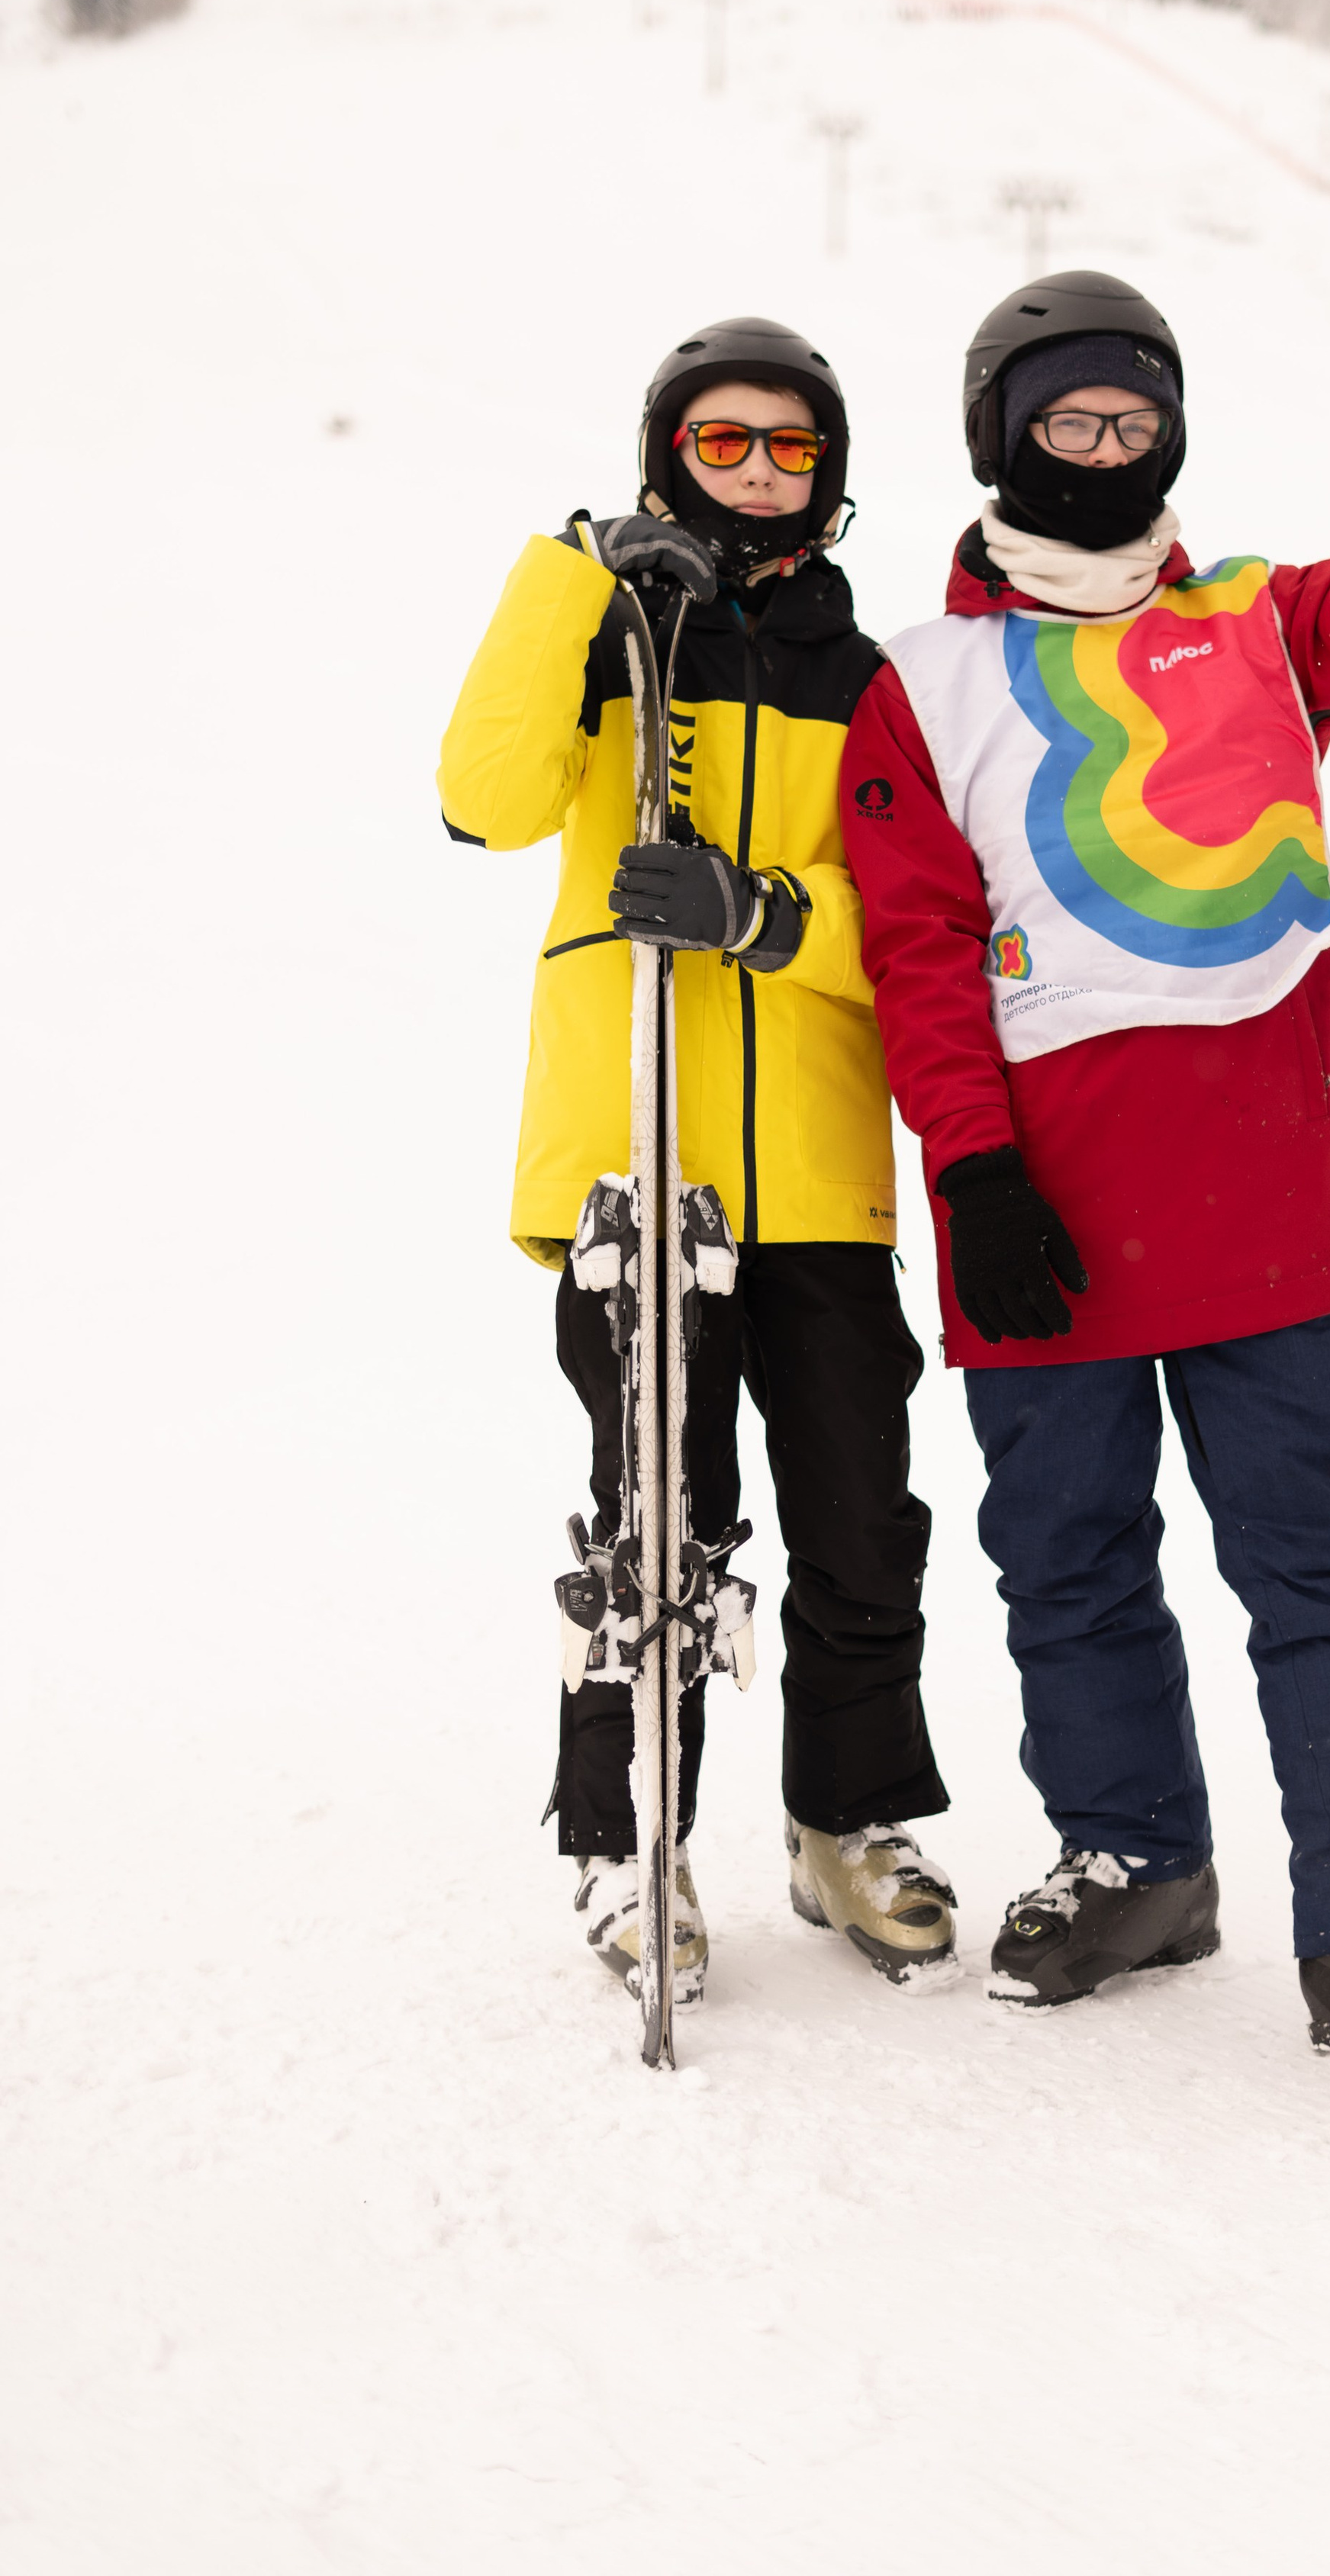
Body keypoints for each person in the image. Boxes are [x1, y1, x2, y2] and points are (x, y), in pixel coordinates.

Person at [839, 268, 1330, 2038]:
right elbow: (919, 947)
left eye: (1135, 420)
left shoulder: (1251, 622)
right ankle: (1134, 1865)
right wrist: (973, 1169)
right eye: (1067, 419)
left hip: (1268, 1177)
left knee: (1313, 1551)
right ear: (998, 437)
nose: (1104, 449)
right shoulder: (923, 682)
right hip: (1041, 1200)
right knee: (1068, 1553)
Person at [440, 316, 956, 2002]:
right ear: (665, 456)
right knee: (656, 1525)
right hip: (633, 1163)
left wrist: (766, 917)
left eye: (788, 446)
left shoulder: (867, 681)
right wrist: (577, 578)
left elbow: (917, 927)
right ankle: (630, 1844)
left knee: (859, 1523)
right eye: (719, 441)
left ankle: (847, 1823)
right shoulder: (600, 636)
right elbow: (485, 799)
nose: (754, 470)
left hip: (812, 1170)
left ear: (830, 473)